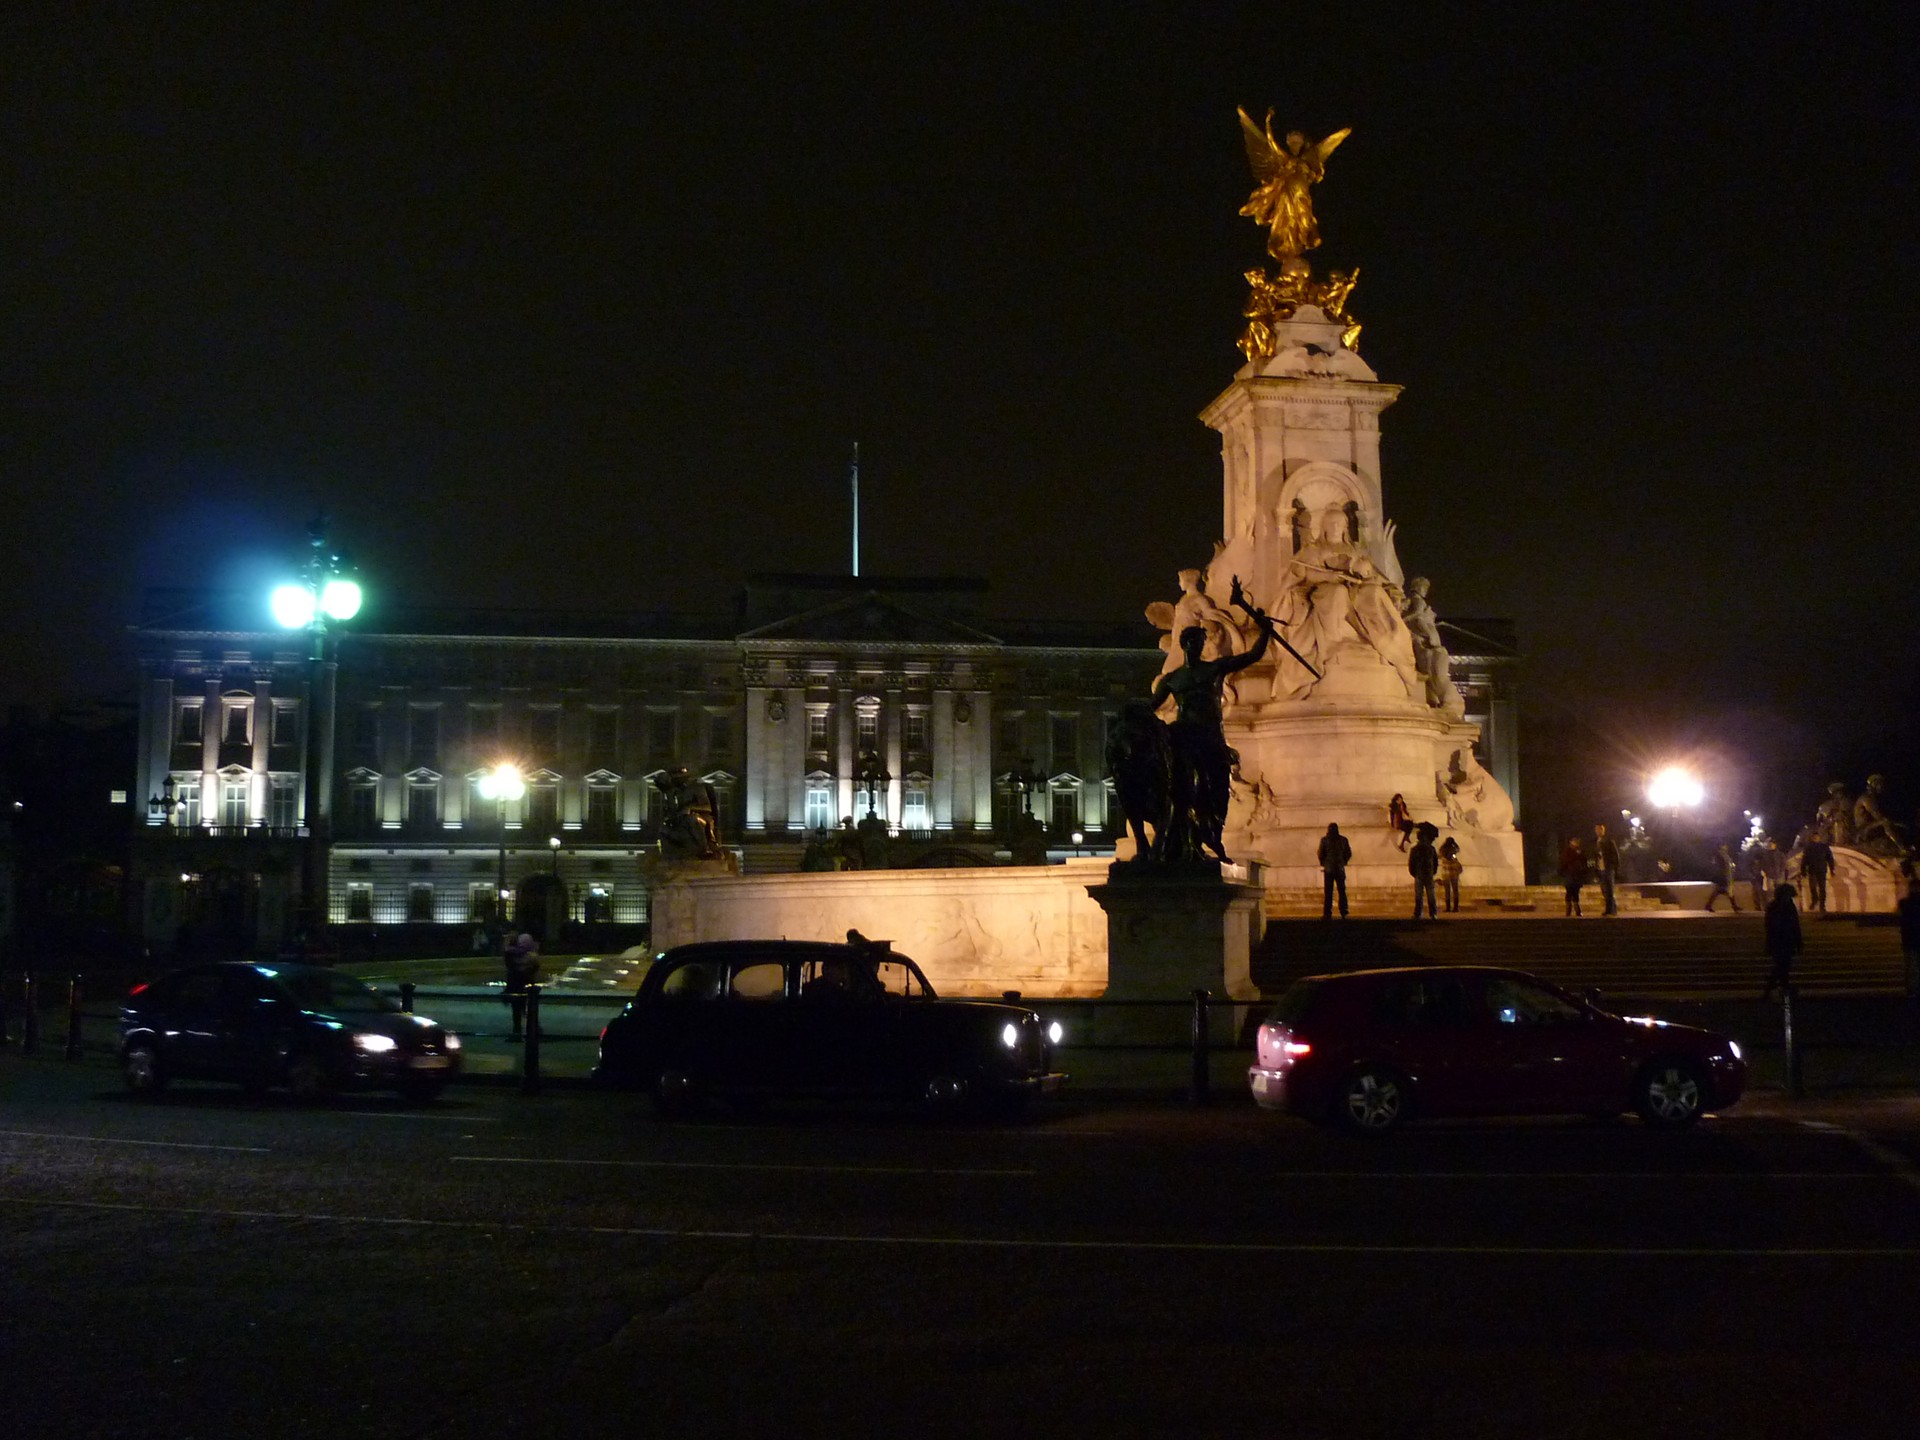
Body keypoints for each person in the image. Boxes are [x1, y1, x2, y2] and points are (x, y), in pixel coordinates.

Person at [1761, 884, 1803, 1000]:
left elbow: (1794, 925)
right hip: (1782, 940)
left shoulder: (1775, 906)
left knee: (1783, 965)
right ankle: (1776, 987)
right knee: (1782, 965)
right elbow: (1794, 925)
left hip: (1782, 940)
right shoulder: (1785, 907)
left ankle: (1780, 987)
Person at [503, 930, 541, 1041]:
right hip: (527, 985)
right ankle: (534, 1031)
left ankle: (518, 1032)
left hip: (517, 985)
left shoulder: (513, 954)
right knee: (527, 1010)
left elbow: (510, 966)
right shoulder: (530, 955)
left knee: (518, 1010)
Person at [1317, 821, 1352, 919]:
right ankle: (1343, 911)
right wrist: (1344, 861)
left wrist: (1324, 863)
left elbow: (1320, 853)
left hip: (1329, 869)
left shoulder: (1324, 840)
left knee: (1328, 892)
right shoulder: (1343, 840)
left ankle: (1327, 913)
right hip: (1339, 868)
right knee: (1342, 890)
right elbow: (1348, 853)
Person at [1408, 824, 1439, 920]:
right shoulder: (1431, 849)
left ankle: (1418, 913)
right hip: (1427, 873)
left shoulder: (1415, 849)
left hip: (1420, 874)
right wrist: (1433, 872)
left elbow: (1411, 863)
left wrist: (1414, 873)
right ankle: (1432, 913)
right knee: (1430, 895)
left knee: (1420, 895)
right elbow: (1435, 862)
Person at [1799, 833, 1834, 913]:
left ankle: (1822, 905)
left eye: (1816, 837)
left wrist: (1832, 869)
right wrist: (1803, 870)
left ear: (1819, 838)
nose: (1815, 838)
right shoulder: (1809, 848)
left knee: (1822, 889)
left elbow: (1830, 858)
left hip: (1821, 870)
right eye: (1814, 837)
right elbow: (1804, 860)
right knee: (1813, 887)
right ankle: (1815, 899)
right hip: (1812, 870)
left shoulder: (1824, 847)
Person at [1591, 822, 1620, 916]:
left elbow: (1615, 856)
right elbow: (1594, 856)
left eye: (1600, 829)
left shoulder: (1609, 841)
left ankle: (1611, 910)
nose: (1598, 831)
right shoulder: (1596, 842)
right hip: (1600, 869)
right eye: (1596, 830)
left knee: (1610, 890)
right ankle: (1611, 909)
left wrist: (1615, 867)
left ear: (1603, 830)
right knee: (1604, 890)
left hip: (1608, 868)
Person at [1899, 877, 1920, 1002]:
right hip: (1911, 939)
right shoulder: (1905, 903)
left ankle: (1912, 990)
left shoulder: (1904, 903)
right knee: (1912, 966)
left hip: (1910, 939)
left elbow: (1903, 921)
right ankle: (1912, 989)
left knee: (1911, 967)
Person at [1705, 843, 1741, 912]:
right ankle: (1734, 906)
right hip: (1722, 876)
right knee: (1724, 891)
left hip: (1726, 875)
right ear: (1721, 847)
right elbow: (1720, 866)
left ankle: (1708, 905)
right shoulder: (1719, 855)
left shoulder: (1725, 855)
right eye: (1724, 846)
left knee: (1724, 891)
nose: (1726, 847)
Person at [1558, 837, 1587, 917]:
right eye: (1575, 842)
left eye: (1577, 842)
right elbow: (1565, 861)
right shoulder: (1567, 851)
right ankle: (1569, 910)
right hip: (1569, 874)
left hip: (1577, 875)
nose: (1576, 843)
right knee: (1569, 892)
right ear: (1571, 842)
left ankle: (1577, 909)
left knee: (1576, 892)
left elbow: (1584, 861)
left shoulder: (1579, 851)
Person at [1438, 835, 1463, 913]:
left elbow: (1438, 855)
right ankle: (1455, 907)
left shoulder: (1442, 851)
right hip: (1454, 874)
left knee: (1447, 891)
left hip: (1446, 874)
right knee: (1455, 890)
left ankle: (1448, 907)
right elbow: (1458, 849)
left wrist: (1443, 844)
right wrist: (1455, 843)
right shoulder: (1453, 851)